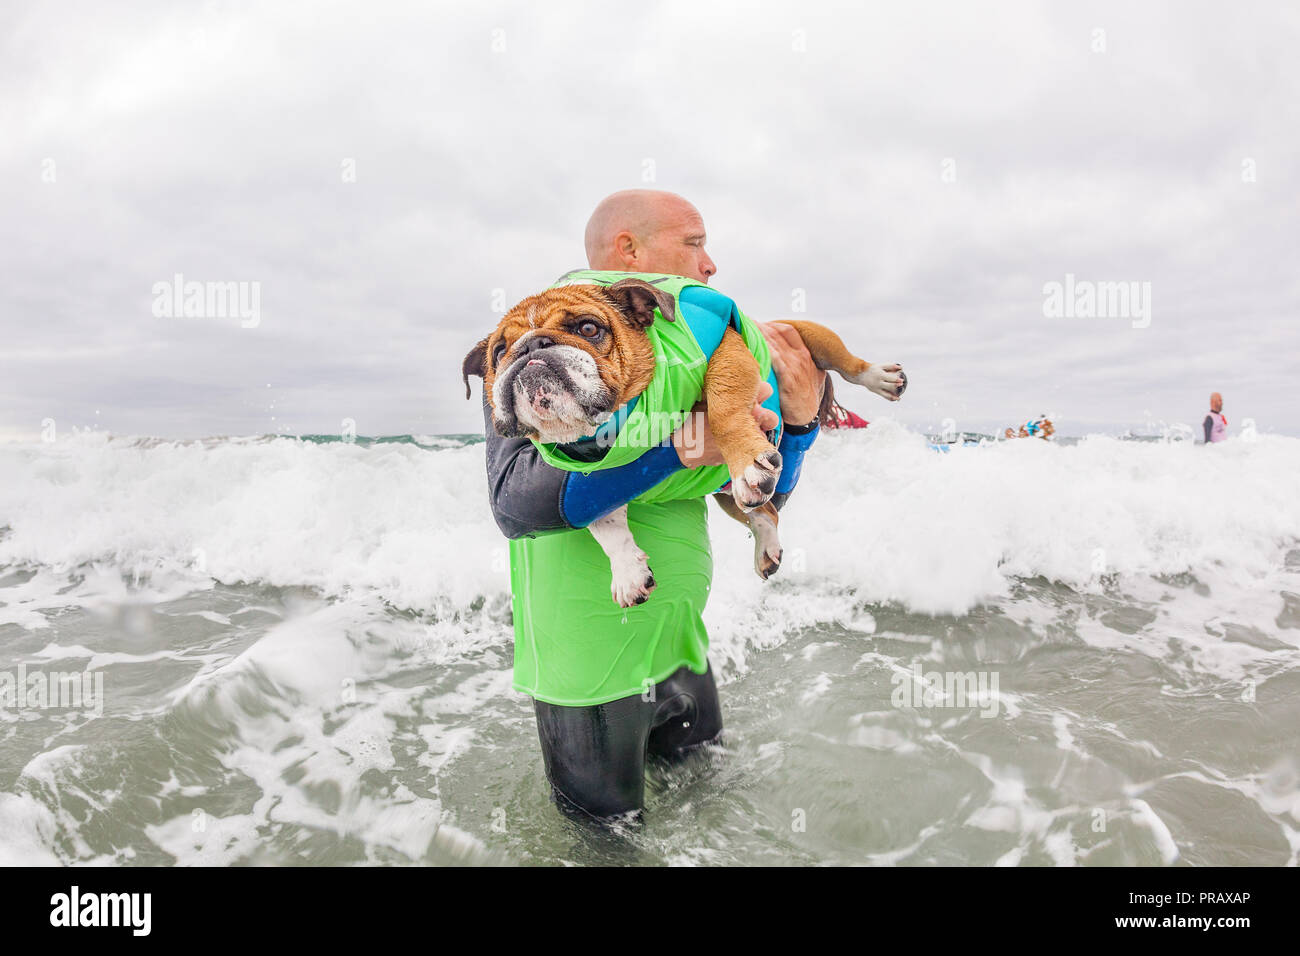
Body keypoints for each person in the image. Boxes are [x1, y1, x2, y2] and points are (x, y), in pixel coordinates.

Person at [480, 189, 827, 823]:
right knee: (606, 843)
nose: (710, 264)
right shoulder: (537, 344)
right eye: (695, 242)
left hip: (681, 641)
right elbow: (515, 504)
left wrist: (800, 425)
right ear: (629, 250)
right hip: (590, 663)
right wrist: (676, 452)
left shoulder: (684, 350)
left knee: (709, 808)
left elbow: (761, 494)